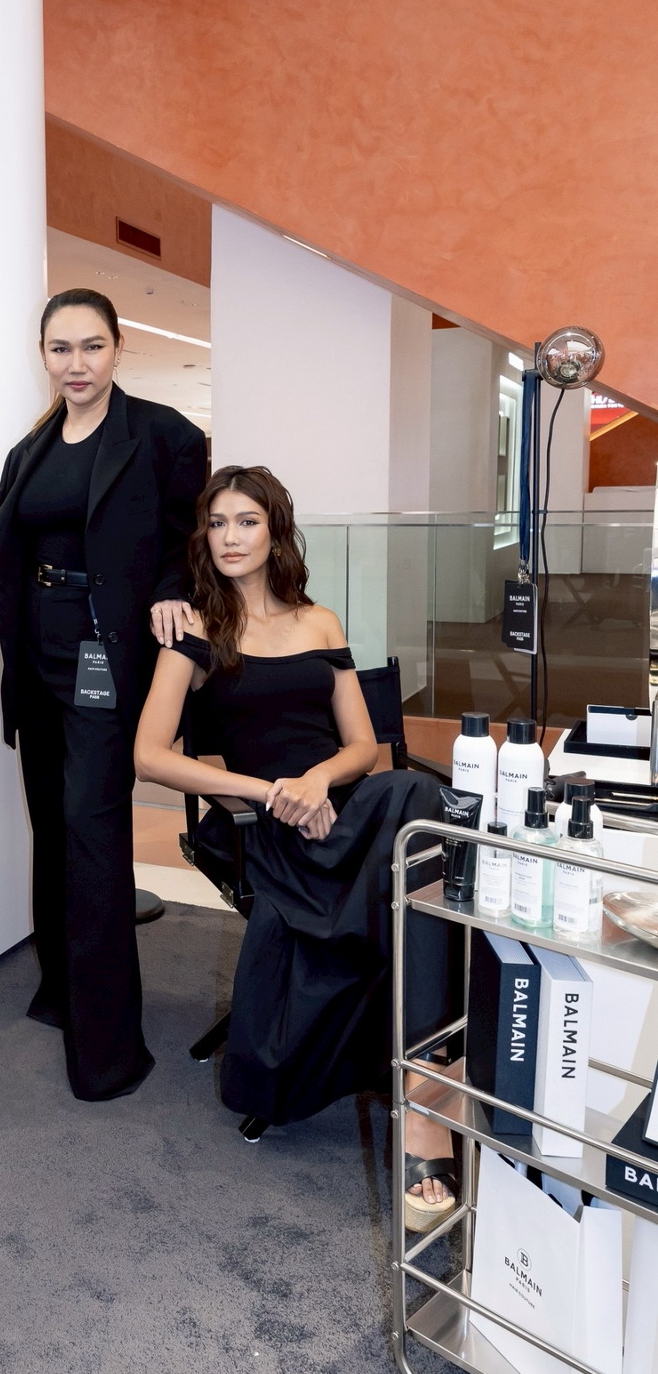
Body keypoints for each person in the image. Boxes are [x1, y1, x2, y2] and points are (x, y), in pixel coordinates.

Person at [133, 465, 459, 1231]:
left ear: (275, 530)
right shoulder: (196, 631)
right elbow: (148, 755)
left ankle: (426, 1093)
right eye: (218, 523)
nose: (230, 537)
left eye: (247, 521)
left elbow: (364, 747)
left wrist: (316, 780)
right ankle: (431, 1077)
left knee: (414, 799)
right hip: (266, 824)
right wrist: (272, 791)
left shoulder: (320, 622)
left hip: (343, 806)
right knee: (417, 853)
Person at [0, 289, 206, 1102]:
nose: (76, 364)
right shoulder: (31, 450)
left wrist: (172, 588)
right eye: (61, 348)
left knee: (91, 834)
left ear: (118, 348)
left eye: (91, 346)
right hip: (37, 656)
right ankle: (63, 992)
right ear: (43, 355)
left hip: (107, 655)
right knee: (51, 827)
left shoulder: (164, 435)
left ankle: (108, 1049)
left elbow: (191, 538)